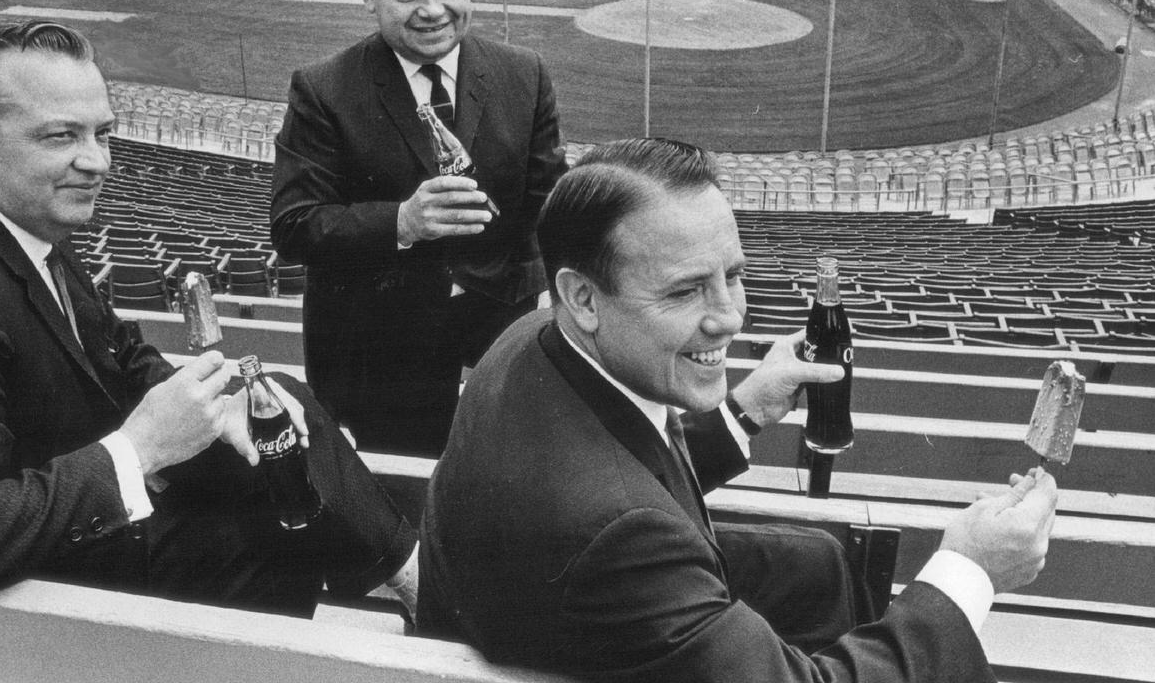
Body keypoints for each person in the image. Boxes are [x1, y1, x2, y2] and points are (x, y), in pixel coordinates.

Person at [419, 137, 1057, 682]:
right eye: (686, 289)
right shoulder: (622, 539)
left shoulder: (533, 335)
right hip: (573, 624)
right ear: (583, 297)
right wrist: (971, 570)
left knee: (819, 562)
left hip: (534, 600)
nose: (728, 316)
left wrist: (743, 409)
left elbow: (615, 456)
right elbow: (613, 510)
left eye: (733, 274)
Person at [0, 20, 418, 618]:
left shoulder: (26, 224)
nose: (96, 161)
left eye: (103, 133)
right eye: (61, 137)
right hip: (42, 600)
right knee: (274, 531)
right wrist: (138, 448)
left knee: (271, 404)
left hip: (78, 524)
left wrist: (208, 406)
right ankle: (417, 586)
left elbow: (120, 358)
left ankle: (409, 574)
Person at [270, 0, 566, 457]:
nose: (432, 11)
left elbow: (548, 204)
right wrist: (402, 221)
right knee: (412, 489)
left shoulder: (524, 73)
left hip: (501, 337)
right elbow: (293, 225)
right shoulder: (322, 89)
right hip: (385, 353)